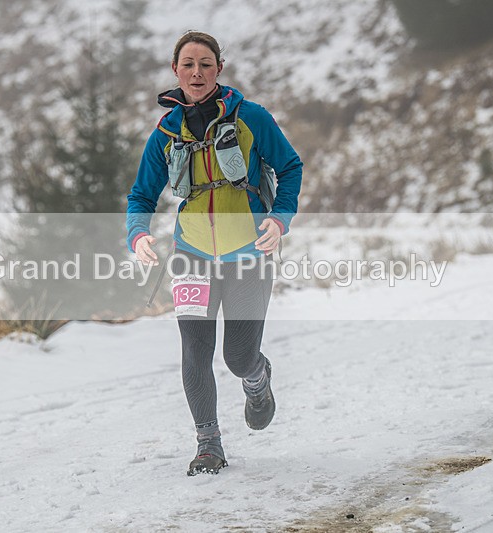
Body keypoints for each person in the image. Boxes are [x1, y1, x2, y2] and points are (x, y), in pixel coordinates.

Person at [126, 31, 303, 476]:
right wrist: (138, 234)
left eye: (206, 64)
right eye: (188, 64)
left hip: (248, 251)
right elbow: (141, 196)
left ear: (219, 69)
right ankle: (209, 443)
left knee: (238, 355)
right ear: (175, 71)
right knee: (194, 348)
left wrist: (279, 219)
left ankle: (257, 378)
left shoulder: (252, 118)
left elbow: (290, 167)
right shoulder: (166, 133)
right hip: (190, 253)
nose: (197, 72)